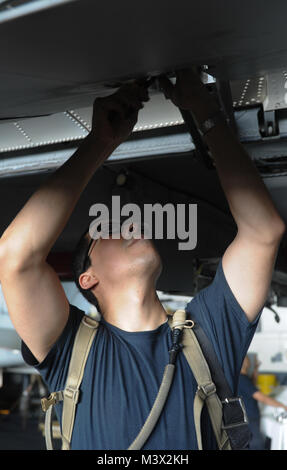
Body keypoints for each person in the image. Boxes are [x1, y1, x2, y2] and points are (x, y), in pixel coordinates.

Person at [0, 69, 285, 450]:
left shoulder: (208, 332)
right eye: (108, 229)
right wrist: (101, 142)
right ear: (87, 279)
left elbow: (262, 231)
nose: (128, 224)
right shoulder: (72, 350)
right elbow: (16, 256)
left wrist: (206, 113)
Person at [238, 355, 287, 449]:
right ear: (243, 362)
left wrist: (256, 368)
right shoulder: (242, 379)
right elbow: (262, 398)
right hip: (249, 418)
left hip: (249, 417)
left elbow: (253, 383)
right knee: (256, 444)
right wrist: (283, 406)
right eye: (246, 358)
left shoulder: (243, 378)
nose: (248, 360)